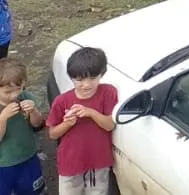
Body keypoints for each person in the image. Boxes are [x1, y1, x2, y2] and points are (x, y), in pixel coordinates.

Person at [47, 48, 116, 195]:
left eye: (93, 78)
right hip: (71, 163)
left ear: (102, 74)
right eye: (79, 80)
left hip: (98, 161)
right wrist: (67, 124)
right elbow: (53, 134)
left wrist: (90, 112)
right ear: (71, 78)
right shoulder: (61, 101)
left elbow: (109, 125)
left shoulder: (108, 92)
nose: (86, 85)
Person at [0, 60, 45, 195]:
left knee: (32, 190)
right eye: (8, 92)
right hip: (3, 164)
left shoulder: (25, 97)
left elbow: (37, 125)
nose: (14, 95)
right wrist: (3, 117)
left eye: (18, 89)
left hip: (28, 156)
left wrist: (34, 111)